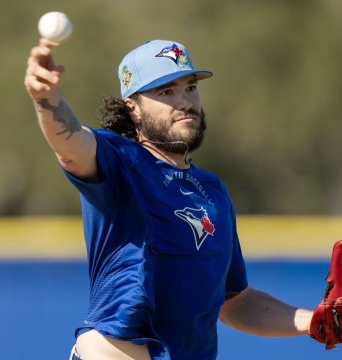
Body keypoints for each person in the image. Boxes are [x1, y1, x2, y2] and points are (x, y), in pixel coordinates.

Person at [24, 38, 313, 360]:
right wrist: (46, 99)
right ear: (132, 108)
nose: (185, 101)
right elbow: (72, 145)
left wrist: (313, 321)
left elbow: (236, 303)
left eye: (190, 87)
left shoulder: (213, 191)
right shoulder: (120, 160)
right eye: (166, 91)